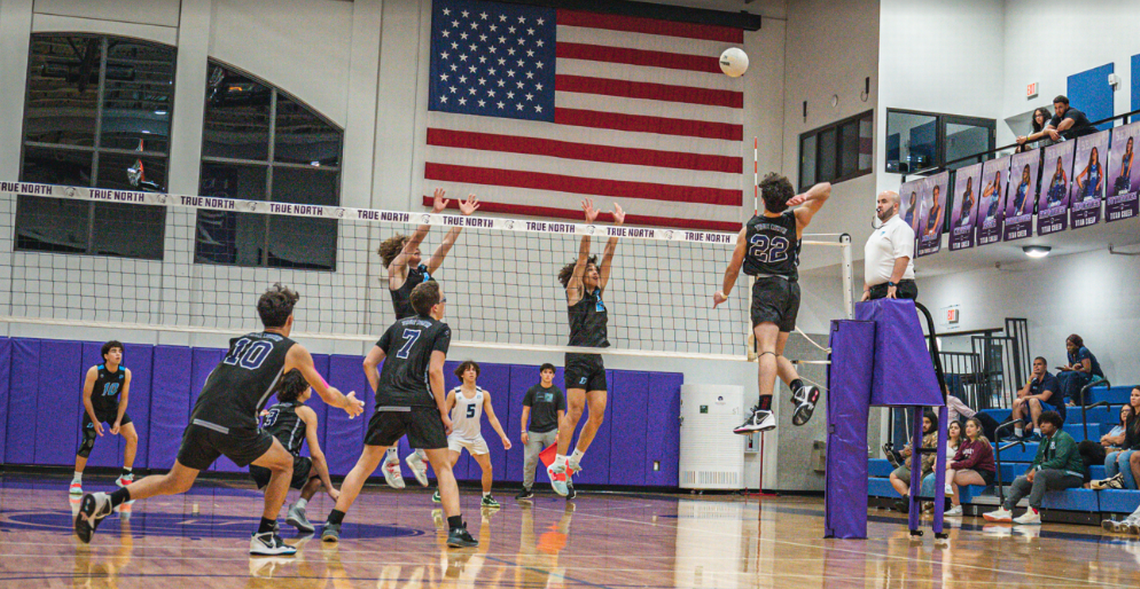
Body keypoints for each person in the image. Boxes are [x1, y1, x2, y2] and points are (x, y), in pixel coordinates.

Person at [74, 284, 365, 555]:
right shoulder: (294, 349)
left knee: (175, 481)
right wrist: (347, 402)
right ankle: (265, 536)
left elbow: (216, 377)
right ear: (289, 320)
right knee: (285, 463)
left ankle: (105, 501)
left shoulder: (241, 342)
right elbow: (325, 393)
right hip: (235, 420)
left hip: (201, 415)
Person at [323, 281, 477, 547]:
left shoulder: (397, 326)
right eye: (443, 300)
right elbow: (435, 371)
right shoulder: (441, 329)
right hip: (420, 404)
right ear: (435, 306)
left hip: (388, 404)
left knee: (362, 466)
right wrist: (444, 412)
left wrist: (382, 394)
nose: (444, 304)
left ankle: (333, 523)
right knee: (442, 468)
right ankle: (456, 531)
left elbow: (368, 362)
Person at [375, 188, 479, 491]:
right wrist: (434, 213)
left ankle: (419, 455)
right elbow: (415, 240)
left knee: (425, 398)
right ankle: (392, 457)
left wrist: (461, 219)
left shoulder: (423, 274)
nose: (418, 254)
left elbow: (444, 247)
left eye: (418, 254)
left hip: (424, 341)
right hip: (402, 340)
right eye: (412, 251)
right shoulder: (397, 272)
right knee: (397, 402)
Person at [714, 174, 830, 434]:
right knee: (775, 354)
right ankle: (801, 389)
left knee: (764, 351)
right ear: (787, 199)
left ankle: (764, 410)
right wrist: (808, 195)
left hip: (767, 289)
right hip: (791, 289)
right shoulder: (797, 219)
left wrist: (724, 293)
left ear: (763, 198)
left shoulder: (751, 228)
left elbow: (733, 268)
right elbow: (827, 188)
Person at [547, 199, 626, 498]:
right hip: (578, 356)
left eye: (595, 270)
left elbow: (608, 254)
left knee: (599, 414)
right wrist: (589, 224)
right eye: (590, 270)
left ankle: (572, 463)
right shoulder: (575, 292)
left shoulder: (599, 293)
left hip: (596, 358)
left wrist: (617, 227)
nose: (594, 272)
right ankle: (556, 464)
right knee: (575, 410)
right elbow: (583, 257)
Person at [249, 368, 340, 533]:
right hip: (281, 464)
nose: (311, 389)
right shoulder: (306, 412)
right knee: (319, 470)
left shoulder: (273, 408)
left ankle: (272, 517)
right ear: (301, 390)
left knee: (271, 468)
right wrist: (330, 488)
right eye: (309, 386)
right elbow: (316, 454)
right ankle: (299, 508)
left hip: (257, 465)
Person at [430, 360, 512, 508]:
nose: (471, 372)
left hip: (475, 436)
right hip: (456, 435)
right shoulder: (454, 393)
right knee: (449, 462)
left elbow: (492, 417)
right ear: (462, 374)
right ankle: (439, 490)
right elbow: (443, 413)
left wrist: (503, 436)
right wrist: (438, 432)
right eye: (468, 370)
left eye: (473, 370)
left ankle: (486, 497)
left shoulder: (483, 394)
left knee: (488, 467)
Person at [983, 411, 1085, 525]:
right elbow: (1037, 460)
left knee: (1041, 474)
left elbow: (1060, 462)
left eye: (1046, 423)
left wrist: (1037, 470)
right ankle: (1006, 510)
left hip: (1072, 475)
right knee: (1019, 482)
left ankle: (1034, 512)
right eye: (1041, 423)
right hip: (1055, 474)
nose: (1042, 425)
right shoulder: (1045, 440)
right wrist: (1032, 472)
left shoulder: (1064, 438)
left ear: (1055, 425)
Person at [70, 340, 138, 495]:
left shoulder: (125, 373)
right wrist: (95, 421)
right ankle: (76, 480)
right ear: (106, 356)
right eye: (114, 351)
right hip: (95, 409)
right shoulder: (94, 371)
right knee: (88, 442)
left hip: (112, 409)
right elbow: (86, 398)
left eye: (120, 351)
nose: (118, 354)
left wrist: (118, 421)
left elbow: (124, 399)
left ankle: (125, 476)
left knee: (132, 436)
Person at [517, 363, 566, 500]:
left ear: (554, 376)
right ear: (540, 374)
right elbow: (525, 411)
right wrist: (523, 430)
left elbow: (561, 415)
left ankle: (568, 487)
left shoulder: (557, 392)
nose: (547, 375)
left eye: (550, 373)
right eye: (545, 372)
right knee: (529, 461)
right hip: (534, 432)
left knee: (559, 461)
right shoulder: (532, 390)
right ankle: (527, 489)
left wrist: (559, 433)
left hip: (552, 430)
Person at [862, 190, 917, 301]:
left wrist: (893, 283)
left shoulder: (900, 227)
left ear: (895, 206)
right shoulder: (877, 232)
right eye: (878, 202)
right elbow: (871, 262)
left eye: (884, 202)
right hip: (877, 291)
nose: (879, 205)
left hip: (896, 287)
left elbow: (903, 257)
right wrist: (866, 289)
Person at [942, 417, 996, 517]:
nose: (968, 429)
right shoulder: (966, 443)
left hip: (985, 473)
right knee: (950, 470)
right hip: (972, 470)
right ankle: (950, 494)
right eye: (967, 426)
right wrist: (944, 465)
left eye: (971, 426)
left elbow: (971, 462)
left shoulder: (981, 442)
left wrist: (951, 464)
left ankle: (953, 498)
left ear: (978, 428)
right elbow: (957, 457)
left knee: (951, 473)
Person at [888, 411, 938, 513]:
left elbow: (934, 454)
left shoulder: (936, 435)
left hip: (926, 469)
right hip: (910, 465)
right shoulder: (916, 434)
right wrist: (902, 453)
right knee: (893, 476)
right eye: (922, 422)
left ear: (933, 423)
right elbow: (910, 449)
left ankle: (907, 503)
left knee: (916, 478)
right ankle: (908, 500)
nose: (923, 425)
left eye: (927, 422)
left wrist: (923, 469)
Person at [1091, 387, 1140, 490]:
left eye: (1137, 396)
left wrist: (1127, 450)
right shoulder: (1131, 416)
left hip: (1137, 449)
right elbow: (1127, 439)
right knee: (1110, 457)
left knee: (1123, 457)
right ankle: (1116, 489)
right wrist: (1122, 450)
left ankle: (1132, 490)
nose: (1133, 398)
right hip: (1131, 449)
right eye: (1132, 395)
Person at [1006, 357, 1061, 441]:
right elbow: (1022, 397)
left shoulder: (1051, 379)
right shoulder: (1035, 382)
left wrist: (1027, 397)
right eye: (1034, 364)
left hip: (1054, 411)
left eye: (1039, 364)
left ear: (1045, 367)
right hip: (1039, 410)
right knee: (1017, 402)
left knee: (1033, 401)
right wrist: (1030, 379)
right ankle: (1018, 434)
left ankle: (1037, 433)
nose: (1036, 367)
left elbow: (1044, 397)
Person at [920, 420, 961, 512]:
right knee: (928, 479)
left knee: (940, 477)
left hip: (953, 468)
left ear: (960, 431)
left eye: (956, 428)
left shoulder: (963, 444)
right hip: (940, 466)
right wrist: (935, 464)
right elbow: (938, 455)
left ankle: (937, 505)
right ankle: (927, 503)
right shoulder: (944, 442)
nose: (953, 430)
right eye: (951, 428)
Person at [1056, 334, 1104, 405]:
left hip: (1093, 376)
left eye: (1070, 345)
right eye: (1067, 345)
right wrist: (1069, 369)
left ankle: (1072, 401)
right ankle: (1061, 400)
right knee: (1061, 375)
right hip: (1080, 374)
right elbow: (1071, 368)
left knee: (1073, 375)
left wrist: (1073, 370)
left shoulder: (1083, 351)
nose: (1068, 348)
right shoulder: (1070, 354)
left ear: (1077, 345)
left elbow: (1087, 369)